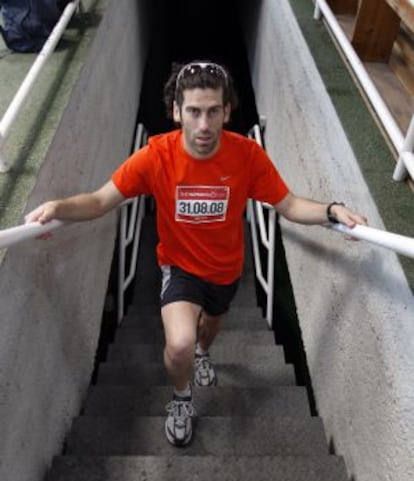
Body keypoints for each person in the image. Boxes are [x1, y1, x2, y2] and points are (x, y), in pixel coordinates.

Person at [25, 60, 367, 447]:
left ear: (226, 111)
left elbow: (288, 205)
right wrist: (59, 208)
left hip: (225, 269)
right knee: (180, 343)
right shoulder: (156, 157)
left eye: (212, 112)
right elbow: (102, 200)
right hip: (180, 268)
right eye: (193, 112)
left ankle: (205, 353)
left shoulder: (247, 156)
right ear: (176, 111)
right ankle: (182, 398)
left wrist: (331, 211)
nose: (203, 125)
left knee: (209, 330)